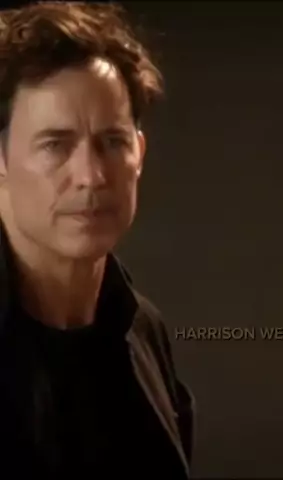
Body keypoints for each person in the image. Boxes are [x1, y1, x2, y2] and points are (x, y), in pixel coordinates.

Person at [0, 1, 195, 477]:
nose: (91, 176)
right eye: (55, 144)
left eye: (112, 142)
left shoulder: (143, 329)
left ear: (139, 154)